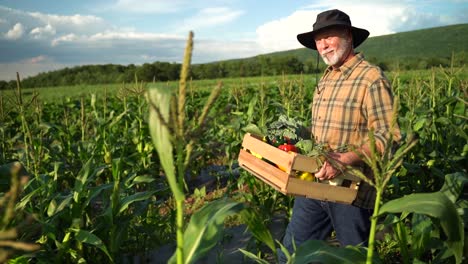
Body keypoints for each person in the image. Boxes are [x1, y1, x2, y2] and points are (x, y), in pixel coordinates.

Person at [278, 9, 400, 262]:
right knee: (291, 254)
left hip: (351, 192)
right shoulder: (327, 78)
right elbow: (321, 131)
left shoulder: (371, 78)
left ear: (348, 36)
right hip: (313, 183)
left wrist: (344, 159)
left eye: (328, 37)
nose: (322, 45)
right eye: (318, 40)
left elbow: (389, 137)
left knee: (354, 257)